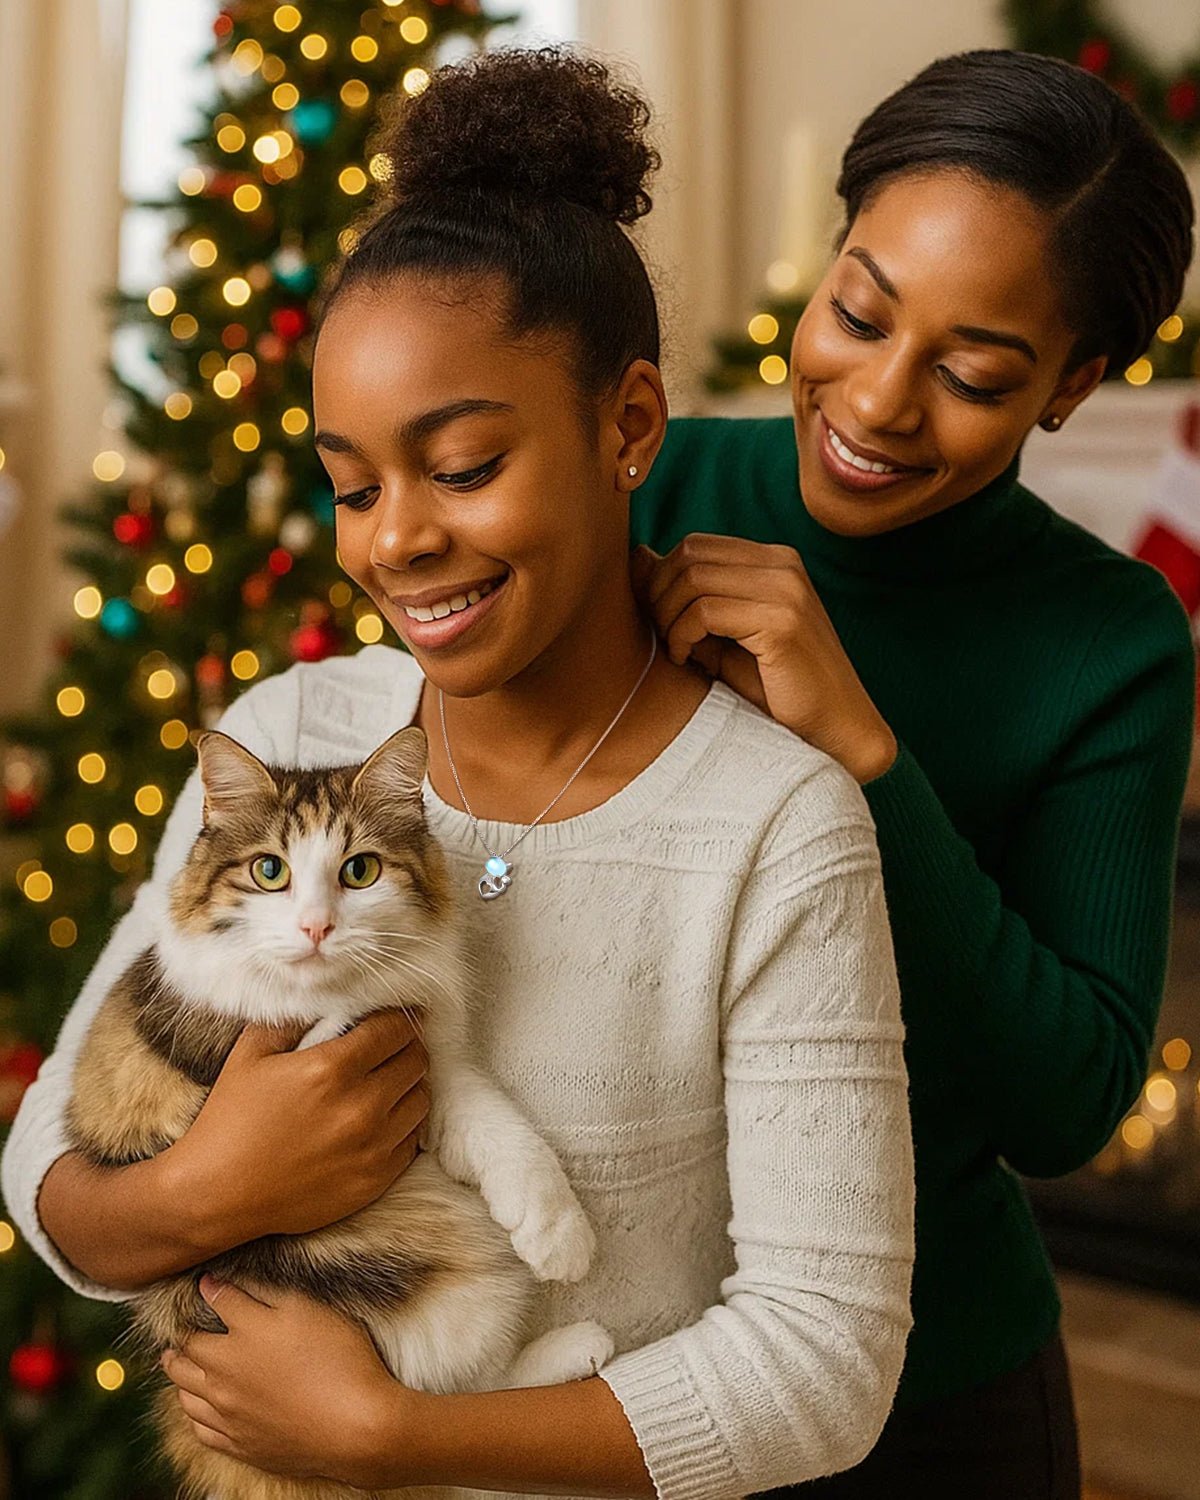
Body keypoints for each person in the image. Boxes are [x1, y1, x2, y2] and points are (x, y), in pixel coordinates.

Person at [0, 49, 914, 1499]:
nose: (394, 541)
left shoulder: (775, 826)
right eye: (354, 485)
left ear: (626, 429)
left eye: (466, 465)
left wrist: (390, 1438)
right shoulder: (299, 719)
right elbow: (46, 1155)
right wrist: (201, 1194)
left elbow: (827, 1361)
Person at [630, 48, 1196, 1499]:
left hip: (931, 1395)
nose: (877, 401)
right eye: (859, 311)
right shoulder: (639, 493)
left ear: (1070, 386)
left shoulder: (1111, 639)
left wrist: (864, 756)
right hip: (602, 1366)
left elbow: (1070, 1100)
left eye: (970, 373)